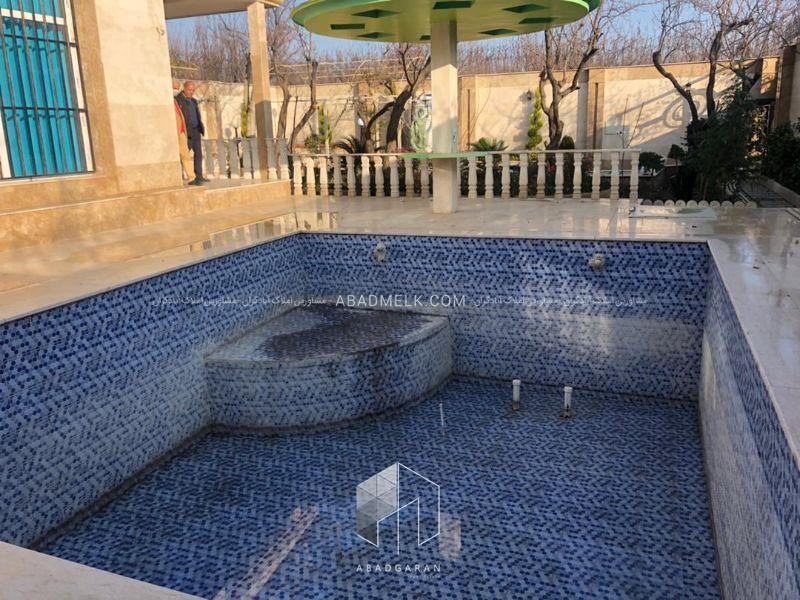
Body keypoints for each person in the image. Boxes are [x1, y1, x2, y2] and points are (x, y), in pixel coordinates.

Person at [175, 81, 206, 184]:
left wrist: (200, 127)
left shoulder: (194, 101)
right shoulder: (178, 100)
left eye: (193, 90)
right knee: (184, 154)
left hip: (196, 130)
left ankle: (199, 176)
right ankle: (181, 177)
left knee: (198, 154)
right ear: (184, 89)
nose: (191, 92)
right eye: (189, 90)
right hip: (186, 131)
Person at [173, 82, 197, 185]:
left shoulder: (176, 101)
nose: (176, 90)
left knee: (186, 155)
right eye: (174, 88)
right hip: (175, 132)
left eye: (177, 88)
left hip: (181, 132)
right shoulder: (174, 100)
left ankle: (192, 177)